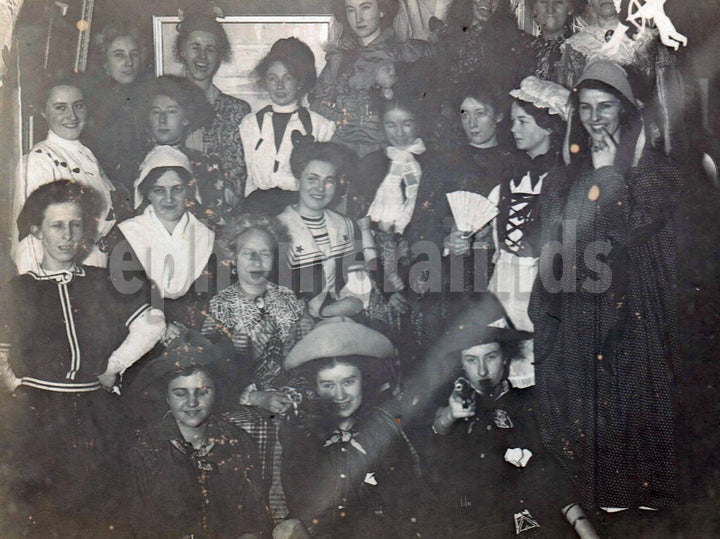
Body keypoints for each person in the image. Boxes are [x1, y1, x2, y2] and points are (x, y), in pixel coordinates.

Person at [529, 60, 682, 513]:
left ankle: (654, 502)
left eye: (606, 107)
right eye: (586, 107)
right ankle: (611, 500)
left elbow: (626, 233)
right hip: (584, 309)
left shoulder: (657, 170)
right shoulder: (561, 178)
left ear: (627, 113)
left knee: (641, 394)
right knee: (595, 404)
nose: (596, 119)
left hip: (639, 311)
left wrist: (608, 175)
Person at [0, 180, 165, 535]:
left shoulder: (101, 281)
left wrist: (114, 366)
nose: (67, 235)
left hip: (96, 413)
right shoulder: (19, 289)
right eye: (57, 226)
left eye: (75, 225)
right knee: (41, 516)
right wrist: (15, 383)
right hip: (37, 417)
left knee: (98, 513)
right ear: (37, 231)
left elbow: (153, 323)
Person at [424, 295, 598, 537]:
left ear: (505, 357)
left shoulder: (531, 401)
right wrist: (449, 417)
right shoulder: (448, 406)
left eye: (491, 357)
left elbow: (554, 475)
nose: (482, 370)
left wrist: (585, 530)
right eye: (471, 360)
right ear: (461, 364)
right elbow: (433, 439)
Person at [201, 213, 308, 522]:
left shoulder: (287, 299)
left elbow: (302, 357)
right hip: (237, 398)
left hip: (285, 393)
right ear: (234, 259)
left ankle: (286, 519)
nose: (258, 260)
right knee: (249, 430)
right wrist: (256, 397)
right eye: (249, 253)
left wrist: (287, 394)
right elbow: (213, 370)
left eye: (265, 253)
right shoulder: (220, 304)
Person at [280, 318, 424, 538]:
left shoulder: (385, 428)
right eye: (328, 385)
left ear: (364, 381)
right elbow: (301, 503)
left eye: (348, 382)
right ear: (316, 388)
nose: (340, 395)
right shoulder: (303, 436)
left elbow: (405, 501)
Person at [129, 330, 271, 538]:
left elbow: (255, 519)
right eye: (180, 393)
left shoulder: (239, 443)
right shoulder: (144, 451)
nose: (192, 402)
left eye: (202, 392)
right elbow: (136, 525)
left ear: (216, 392)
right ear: (166, 397)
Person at [485, 76, 570, 388]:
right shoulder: (510, 176)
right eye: (512, 121)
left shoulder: (564, 178)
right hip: (504, 279)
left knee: (540, 366)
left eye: (522, 121)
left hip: (539, 281)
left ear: (549, 126)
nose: (513, 129)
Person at [107, 145, 217, 338]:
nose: (169, 199)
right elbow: (123, 295)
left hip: (193, 331)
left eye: (177, 189)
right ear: (147, 193)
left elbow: (209, 297)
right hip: (139, 328)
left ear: (188, 191)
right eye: (159, 190)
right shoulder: (127, 234)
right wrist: (162, 326)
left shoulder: (206, 236)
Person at [12, 73, 117, 274]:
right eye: (60, 107)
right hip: (61, 275)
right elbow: (36, 238)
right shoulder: (40, 159)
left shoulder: (87, 155)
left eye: (78, 105)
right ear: (43, 112)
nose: (72, 116)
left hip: (93, 269)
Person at [309, 0, 433, 157]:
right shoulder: (340, 57)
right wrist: (342, 117)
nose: (358, 18)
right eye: (351, 10)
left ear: (382, 10)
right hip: (341, 152)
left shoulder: (403, 53)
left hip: (387, 154)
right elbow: (316, 101)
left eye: (365, 7)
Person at [277, 140, 381, 322]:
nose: (320, 188)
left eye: (329, 181)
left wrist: (338, 308)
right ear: (297, 178)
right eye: (312, 178)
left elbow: (357, 282)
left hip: (343, 317)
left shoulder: (346, 225)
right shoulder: (277, 229)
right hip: (296, 324)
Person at [240, 37, 336, 215]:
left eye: (288, 78)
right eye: (272, 78)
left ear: (300, 82)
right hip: (258, 207)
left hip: (300, 208)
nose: (279, 86)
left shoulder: (320, 125)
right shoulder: (250, 124)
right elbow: (248, 179)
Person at [176, 7, 252, 216]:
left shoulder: (236, 110)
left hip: (219, 217)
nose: (202, 56)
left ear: (219, 55)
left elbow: (238, 175)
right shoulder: (162, 106)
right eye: (195, 47)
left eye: (210, 49)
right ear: (182, 50)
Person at [83, 22, 149, 207]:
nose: (129, 62)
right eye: (119, 55)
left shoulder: (145, 98)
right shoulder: (94, 104)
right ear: (104, 61)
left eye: (134, 54)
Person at [529, 0, 581, 86]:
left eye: (558, 2)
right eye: (544, 2)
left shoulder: (582, 48)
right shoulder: (523, 48)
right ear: (534, 9)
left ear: (570, 9)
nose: (550, 9)